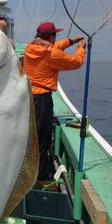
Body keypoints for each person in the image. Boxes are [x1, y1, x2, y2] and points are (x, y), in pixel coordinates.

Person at [23, 22, 87, 180]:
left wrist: (70, 41)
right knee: (42, 137)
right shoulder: (52, 54)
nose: (56, 38)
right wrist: (81, 48)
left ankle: (27, 169)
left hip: (27, 96)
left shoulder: (30, 47)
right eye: (55, 35)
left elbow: (54, 48)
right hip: (42, 100)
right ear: (50, 37)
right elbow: (76, 62)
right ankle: (39, 175)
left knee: (30, 135)